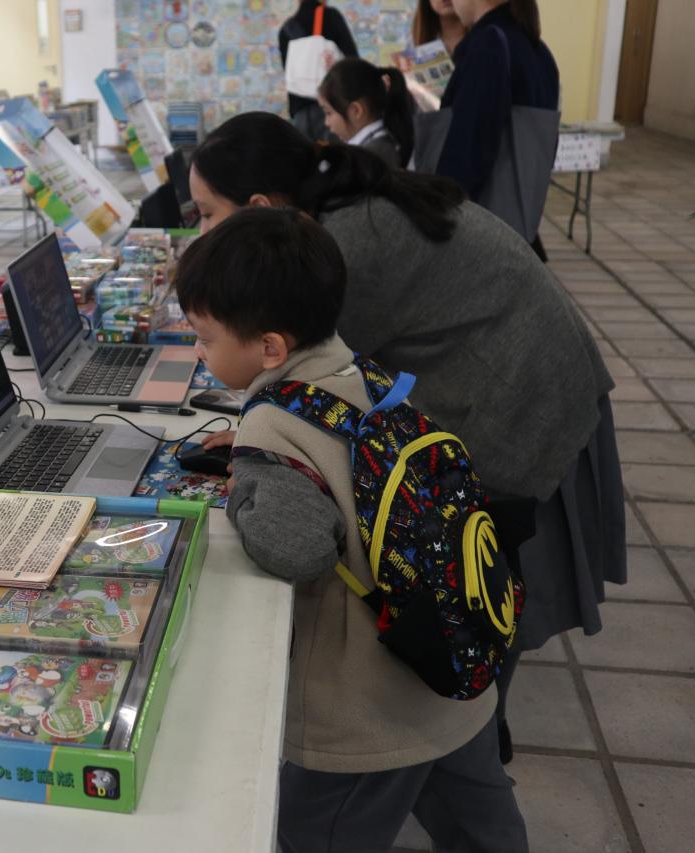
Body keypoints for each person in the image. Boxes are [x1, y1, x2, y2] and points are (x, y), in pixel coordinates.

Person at [189, 112, 626, 763]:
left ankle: (465, 720)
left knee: (464, 579)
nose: (200, 231)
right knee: (463, 587)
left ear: (257, 208)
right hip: (518, 378)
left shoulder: (335, 249)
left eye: (205, 213)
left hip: (524, 403)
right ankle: (467, 729)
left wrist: (266, 451)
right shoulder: (332, 220)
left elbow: (311, 385)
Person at [176, 208, 528, 853]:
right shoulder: (368, 375)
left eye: (204, 338)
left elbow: (298, 550)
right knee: (480, 824)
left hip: (369, 706)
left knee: (315, 834)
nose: (198, 352)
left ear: (270, 349)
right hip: (455, 664)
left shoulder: (271, 425)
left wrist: (244, 489)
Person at [436, 0, 558, 256]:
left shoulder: (490, 45)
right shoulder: (538, 49)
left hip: (480, 231)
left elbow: (467, 149)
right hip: (519, 229)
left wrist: (436, 210)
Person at [277, 0, 358, 141]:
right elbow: (353, 61)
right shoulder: (331, 16)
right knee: (336, 153)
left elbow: (290, 73)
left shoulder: (286, 29)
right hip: (331, 108)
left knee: (304, 154)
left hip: (300, 111)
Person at [317, 58, 414, 168]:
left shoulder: (372, 157)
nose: (326, 122)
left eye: (328, 113)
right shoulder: (377, 145)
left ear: (356, 111)